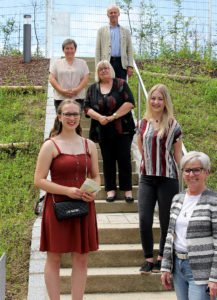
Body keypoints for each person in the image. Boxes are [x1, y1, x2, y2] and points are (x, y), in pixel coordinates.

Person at [34, 99, 100, 299]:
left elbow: (97, 176)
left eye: (75, 114)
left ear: (80, 117)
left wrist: (93, 191)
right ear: (59, 117)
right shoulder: (50, 145)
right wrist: (66, 191)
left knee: (81, 259)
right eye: (67, 114)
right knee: (54, 258)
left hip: (84, 205)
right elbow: (38, 180)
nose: (71, 118)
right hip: (57, 207)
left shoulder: (89, 144)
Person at [137, 83, 182, 273]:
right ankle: (148, 258)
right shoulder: (142, 123)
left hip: (168, 177)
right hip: (147, 177)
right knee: (144, 218)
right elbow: (141, 149)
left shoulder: (173, 124)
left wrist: (189, 174)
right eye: (153, 98)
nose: (156, 102)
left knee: (166, 220)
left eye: (160, 98)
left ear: (165, 102)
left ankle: (162, 258)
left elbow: (178, 156)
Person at [161, 151, 217, 300]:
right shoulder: (177, 199)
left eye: (196, 170)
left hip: (201, 269)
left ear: (206, 172)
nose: (191, 175)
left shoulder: (213, 201)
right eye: (187, 170)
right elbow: (170, 235)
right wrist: (166, 266)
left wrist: (214, 278)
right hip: (178, 267)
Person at [84, 60, 135, 203]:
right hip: (103, 130)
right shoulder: (92, 89)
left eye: (106, 68)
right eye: (100, 69)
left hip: (123, 129)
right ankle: (110, 190)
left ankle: (127, 190)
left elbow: (130, 102)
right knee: (108, 160)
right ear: (97, 73)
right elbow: (86, 108)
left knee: (124, 158)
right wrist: (100, 118)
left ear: (111, 70)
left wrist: (113, 116)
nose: (104, 70)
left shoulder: (121, 84)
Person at [49, 39, 89, 111]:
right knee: (60, 120)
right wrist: (61, 91)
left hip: (78, 98)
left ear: (75, 49)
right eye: (67, 48)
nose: (69, 50)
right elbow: (51, 78)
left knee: (76, 120)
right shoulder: (56, 63)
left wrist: (76, 90)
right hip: (60, 98)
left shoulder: (82, 63)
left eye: (71, 48)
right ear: (63, 50)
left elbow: (85, 78)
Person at [95, 4, 134, 80]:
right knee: (107, 86)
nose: (113, 14)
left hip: (121, 64)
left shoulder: (126, 31)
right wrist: (98, 66)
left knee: (121, 87)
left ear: (118, 14)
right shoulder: (101, 31)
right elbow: (98, 49)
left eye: (115, 12)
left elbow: (129, 49)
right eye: (111, 13)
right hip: (107, 63)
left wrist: (130, 66)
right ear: (107, 15)